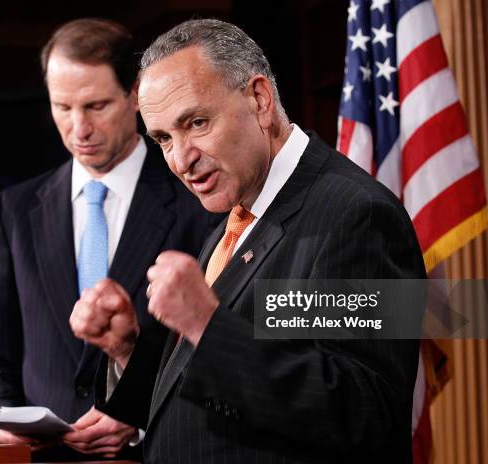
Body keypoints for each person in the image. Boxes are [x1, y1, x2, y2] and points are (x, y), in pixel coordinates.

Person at [69, 19, 427, 464]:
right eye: (163, 138)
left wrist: (204, 323)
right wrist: (129, 349)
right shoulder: (237, 211)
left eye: (197, 122)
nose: (181, 160)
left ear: (259, 99)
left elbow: (365, 414)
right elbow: (203, 409)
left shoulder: (356, 214)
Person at [0, 18, 217, 461]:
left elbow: (217, 356)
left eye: (96, 106)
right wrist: (0, 423)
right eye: (62, 107)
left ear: (135, 95)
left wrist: (139, 413)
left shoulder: (198, 200)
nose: (78, 127)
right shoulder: (16, 210)